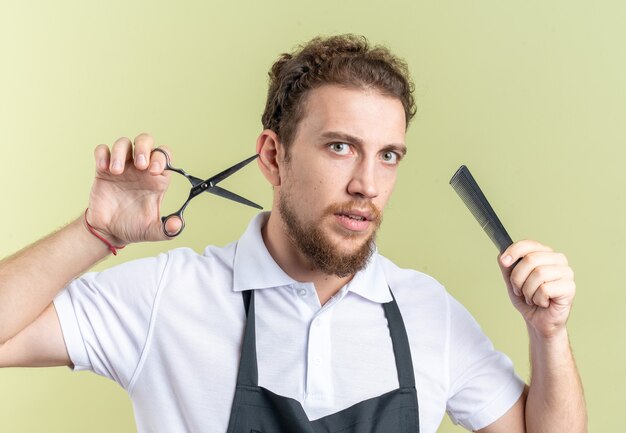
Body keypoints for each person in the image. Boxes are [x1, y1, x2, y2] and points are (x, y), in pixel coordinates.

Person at [0, 34, 586, 433]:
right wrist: (95, 232)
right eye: (340, 147)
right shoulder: (168, 297)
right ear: (273, 156)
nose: (367, 184)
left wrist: (549, 334)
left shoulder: (428, 313)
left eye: (388, 156)